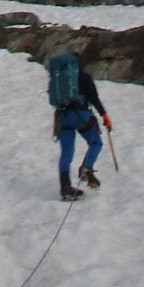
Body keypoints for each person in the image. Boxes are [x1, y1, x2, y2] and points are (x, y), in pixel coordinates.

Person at [47, 51, 111, 200]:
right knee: (96, 143)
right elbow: (94, 98)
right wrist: (105, 116)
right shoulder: (84, 77)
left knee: (66, 153)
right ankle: (86, 168)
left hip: (62, 117)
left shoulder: (58, 78)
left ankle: (65, 187)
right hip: (80, 115)